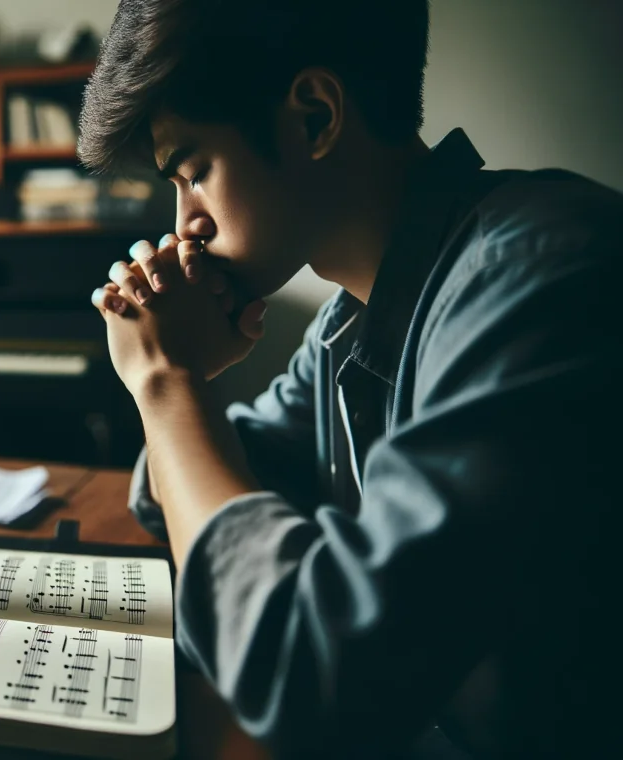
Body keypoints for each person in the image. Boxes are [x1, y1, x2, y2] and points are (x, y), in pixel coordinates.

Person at [79, 0, 622, 757]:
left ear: (314, 117)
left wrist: (167, 383)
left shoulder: (542, 285)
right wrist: (180, 390)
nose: (183, 225)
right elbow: (170, 493)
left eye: (195, 172)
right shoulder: (350, 322)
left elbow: (302, 670)